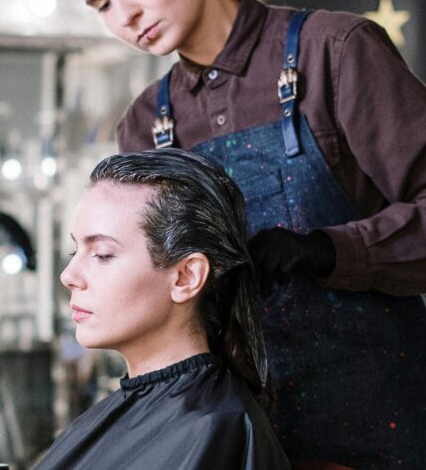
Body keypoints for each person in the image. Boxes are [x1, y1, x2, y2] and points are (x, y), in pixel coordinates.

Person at [34, 0, 426, 468]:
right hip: (242, 436)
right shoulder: (146, 124)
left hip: (389, 426)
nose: (125, 14)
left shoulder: (333, 52)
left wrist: (329, 250)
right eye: (101, 3)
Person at [35, 148, 290, 470]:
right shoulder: (137, 413)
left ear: (186, 277)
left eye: (101, 254)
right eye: (75, 249)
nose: (68, 276)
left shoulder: (213, 429)